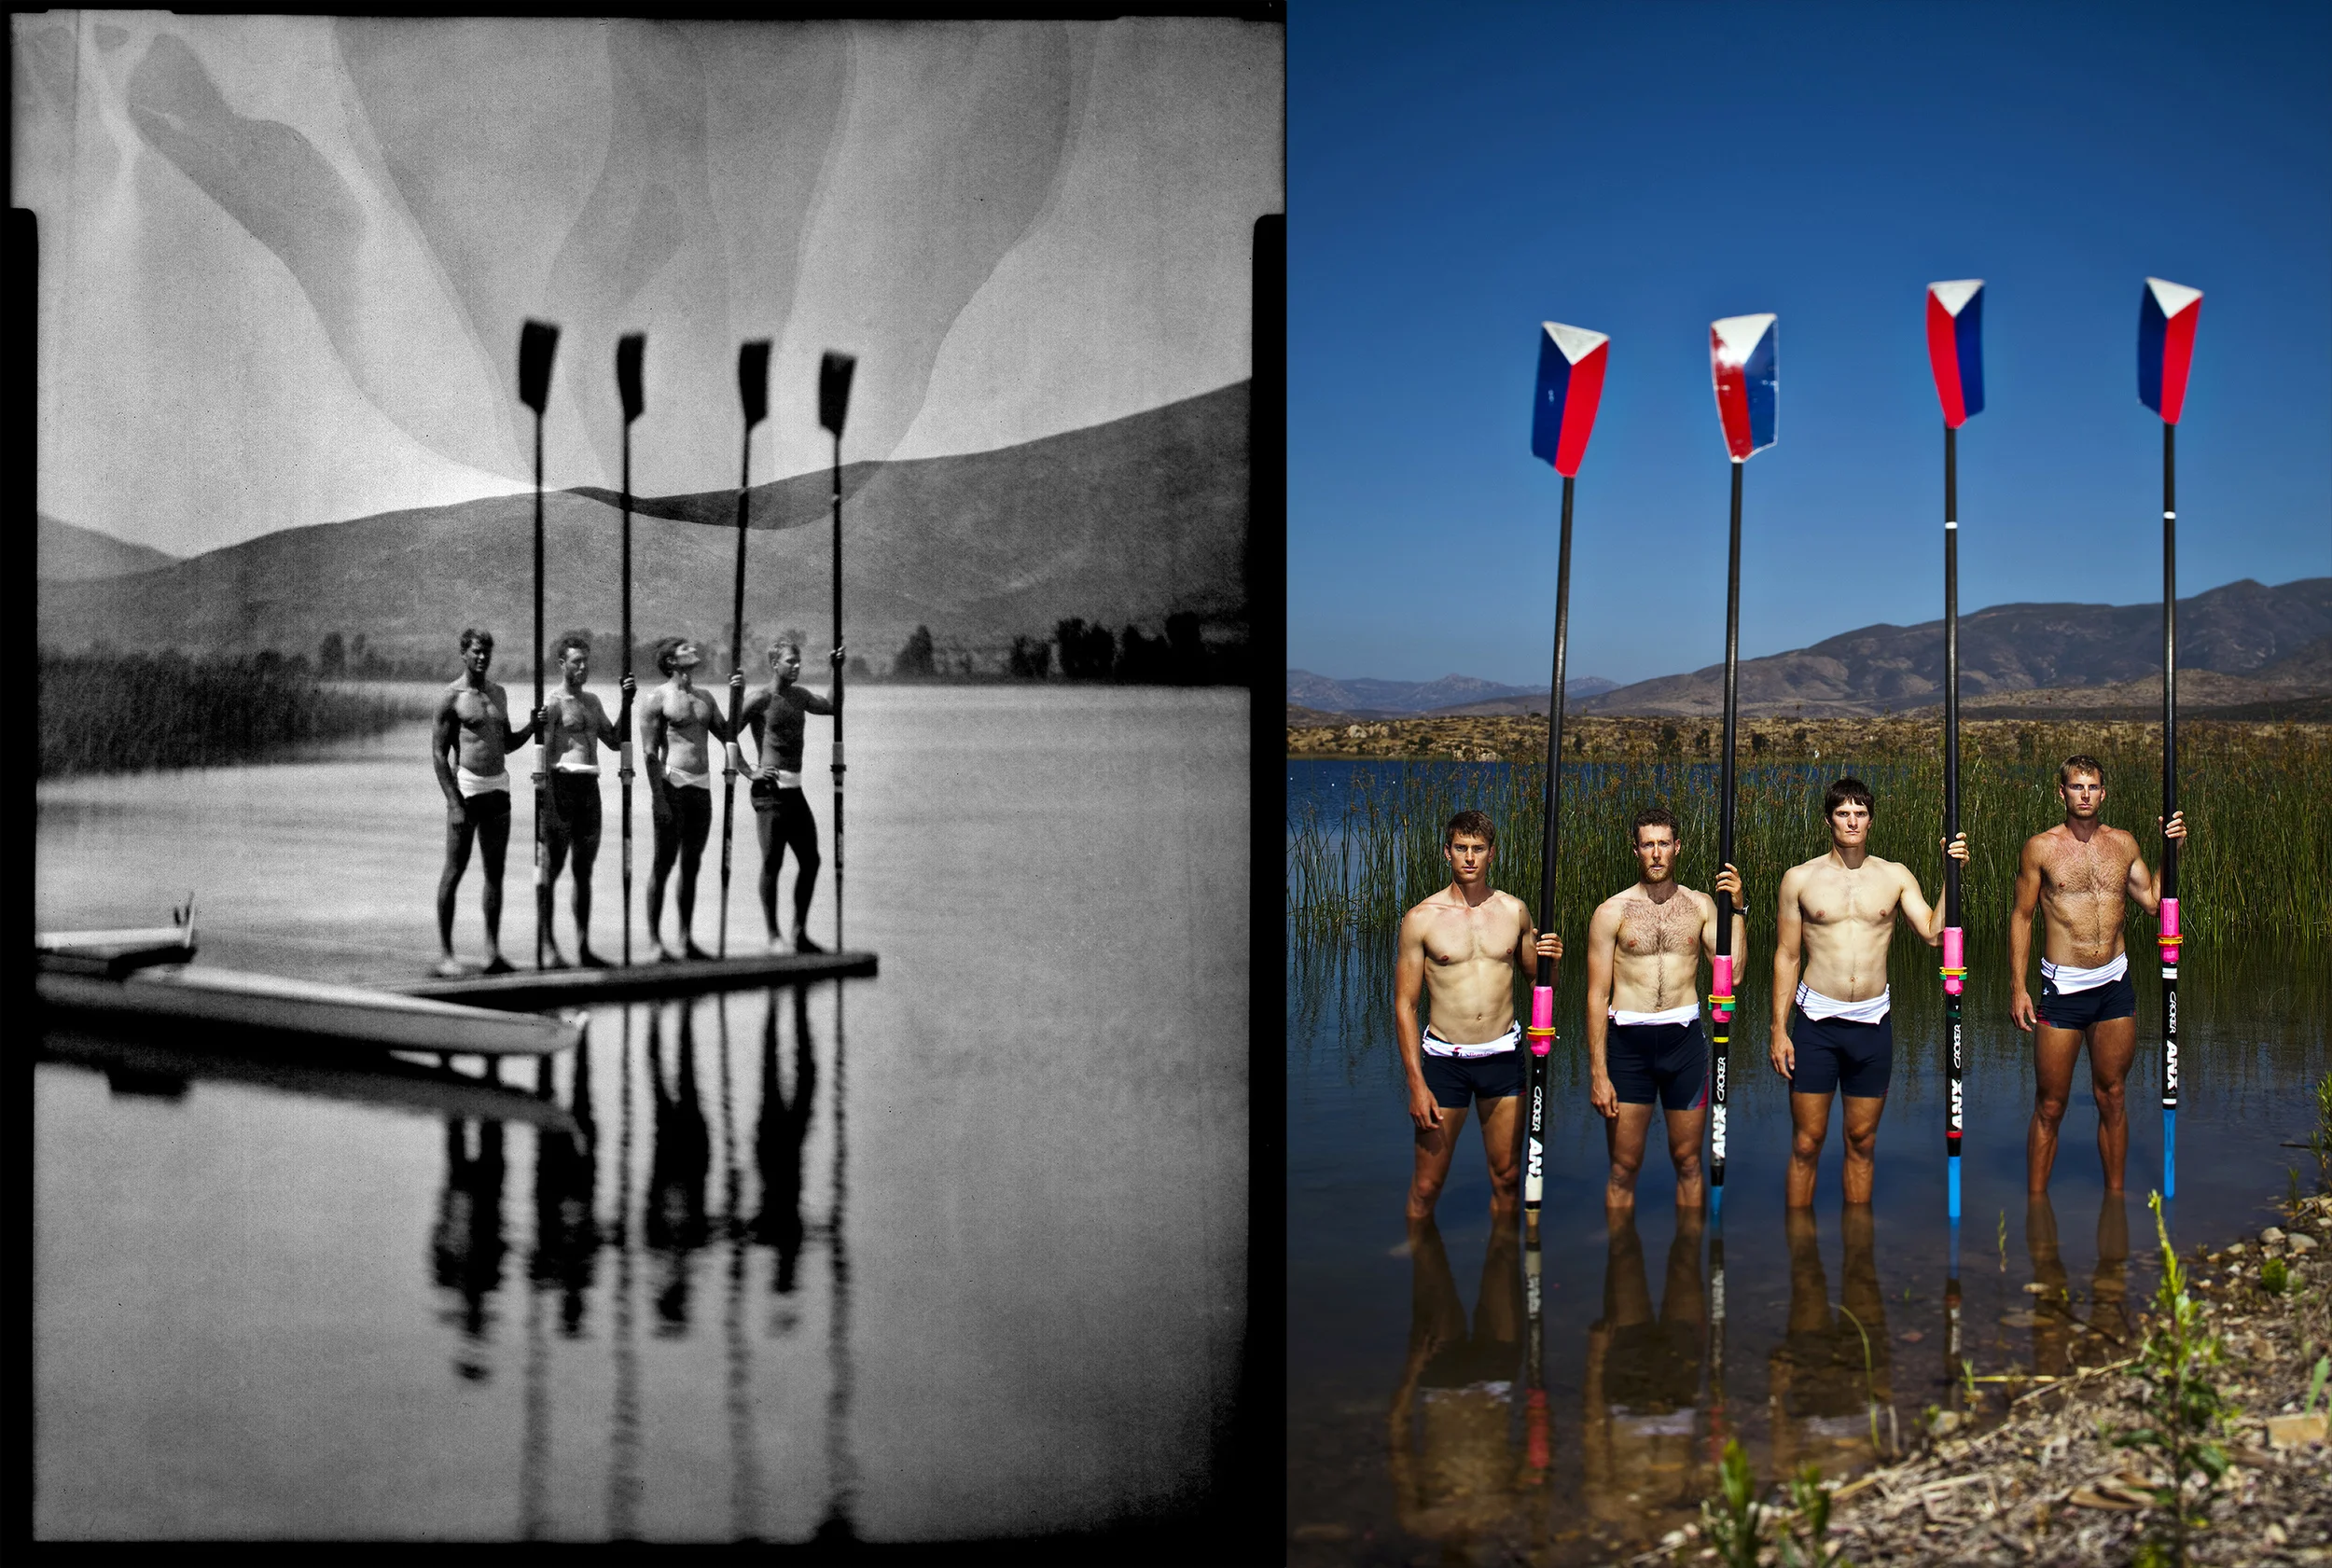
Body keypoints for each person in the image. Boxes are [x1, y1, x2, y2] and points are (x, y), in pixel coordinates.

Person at [1770, 778, 1968, 1206]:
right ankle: (1800, 1255)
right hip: (1816, 1024)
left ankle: (1859, 1253)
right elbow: (1787, 956)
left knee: (1861, 1143)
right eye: (1843, 813)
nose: (1852, 821)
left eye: (1860, 813)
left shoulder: (1894, 876)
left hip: (1873, 1026)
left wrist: (1952, 873)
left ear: (1871, 821)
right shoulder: (1799, 879)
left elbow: (1935, 934)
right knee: (1807, 1142)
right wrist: (1777, 1030)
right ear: (1829, 820)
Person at [2008, 755, 2186, 1193]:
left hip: (2114, 988)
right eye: (2076, 787)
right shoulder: (2041, 847)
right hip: (2062, 990)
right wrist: (2018, 987)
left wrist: (2172, 849)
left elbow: (2152, 900)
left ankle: (2116, 1201)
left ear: (2103, 793)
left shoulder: (2123, 844)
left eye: (2092, 787)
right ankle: (2036, 1207)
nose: (2084, 794)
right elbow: (2022, 917)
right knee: (2051, 1105)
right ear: (2062, 792)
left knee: (2113, 1096)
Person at [1393, 810, 1562, 1222]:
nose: (1470, 857)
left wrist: (1552, 962)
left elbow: (1538, 984)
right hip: (1444, 1064)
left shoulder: (1514, 911)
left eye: (1478, 849)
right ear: (1446, 852)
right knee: (1427, 1186)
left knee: (1506, 1178)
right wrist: (1416, 1083)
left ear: (1492, 854)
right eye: (1461, 848)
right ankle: (1422, 1269)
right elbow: (1405, 1005)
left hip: (1504, 1059)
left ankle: (1502, 1275)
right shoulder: (1420, 920)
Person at [1581, 804, 1745, 1213]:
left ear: (1678, 847)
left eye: (1664, 844)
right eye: (1648, 844)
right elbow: (1596, 997)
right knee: (1623, 1168)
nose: (1656, 853)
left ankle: (1687, 1267)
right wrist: (1598, 1073)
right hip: (1628, 1046)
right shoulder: (1610, 912)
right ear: (1635, 850)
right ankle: (1621, 1267)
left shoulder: (1701, 905)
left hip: (1683, 1044)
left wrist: (1738, 909)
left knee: (1689, 1163)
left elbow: (1734, 975)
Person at [432, 629, 539, 977]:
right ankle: (447, 955)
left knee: (495, 874)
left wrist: (531, 728)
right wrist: (453, 803)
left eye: (487, 653)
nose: (482, 658)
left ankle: (492, 953)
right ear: (464, 653)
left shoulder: (499, 694)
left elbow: (506, 743)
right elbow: (438, 753)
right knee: (455, 870)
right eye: (476, 652)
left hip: (499, 789)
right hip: (467, 789)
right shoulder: (451, 698)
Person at [528, 632, 635, 968]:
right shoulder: (554, 703)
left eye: (586, 661)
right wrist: (545, 800)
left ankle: (584, 947)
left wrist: (627, 703)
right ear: (562, 664)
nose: (583, 667)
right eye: (577, 661)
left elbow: (616, 742)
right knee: (552, 868)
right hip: (561, 788)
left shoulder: (593, 702)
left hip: (590, 788)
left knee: (584, 871)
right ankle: (547, 944)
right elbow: (543, 756)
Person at [639, 635, 743, 963]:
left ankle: (686, 939)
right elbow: (649, 753)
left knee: (692, 866)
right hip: (672, 786)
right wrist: (658, 798)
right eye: (685, 649)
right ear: (671, 661)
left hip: (702, 789)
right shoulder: (657, 698)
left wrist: (737, 695)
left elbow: (728, 735)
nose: (693, 649)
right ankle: (655, 941)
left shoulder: (706, 698)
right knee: (663, 864)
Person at [739, 636, 844, 953]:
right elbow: (727, 733)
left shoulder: (799, 697)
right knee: (773, 862)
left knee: (811, 861)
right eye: (790, 662)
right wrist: (749, 770)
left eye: (799, 662)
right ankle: (773, 936)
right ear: (774, 664)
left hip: (795, 791)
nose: (797, 667)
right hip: (769, 792)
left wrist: (835, 670)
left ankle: (799, 933)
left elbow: (832, 707)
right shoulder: (760, 699)